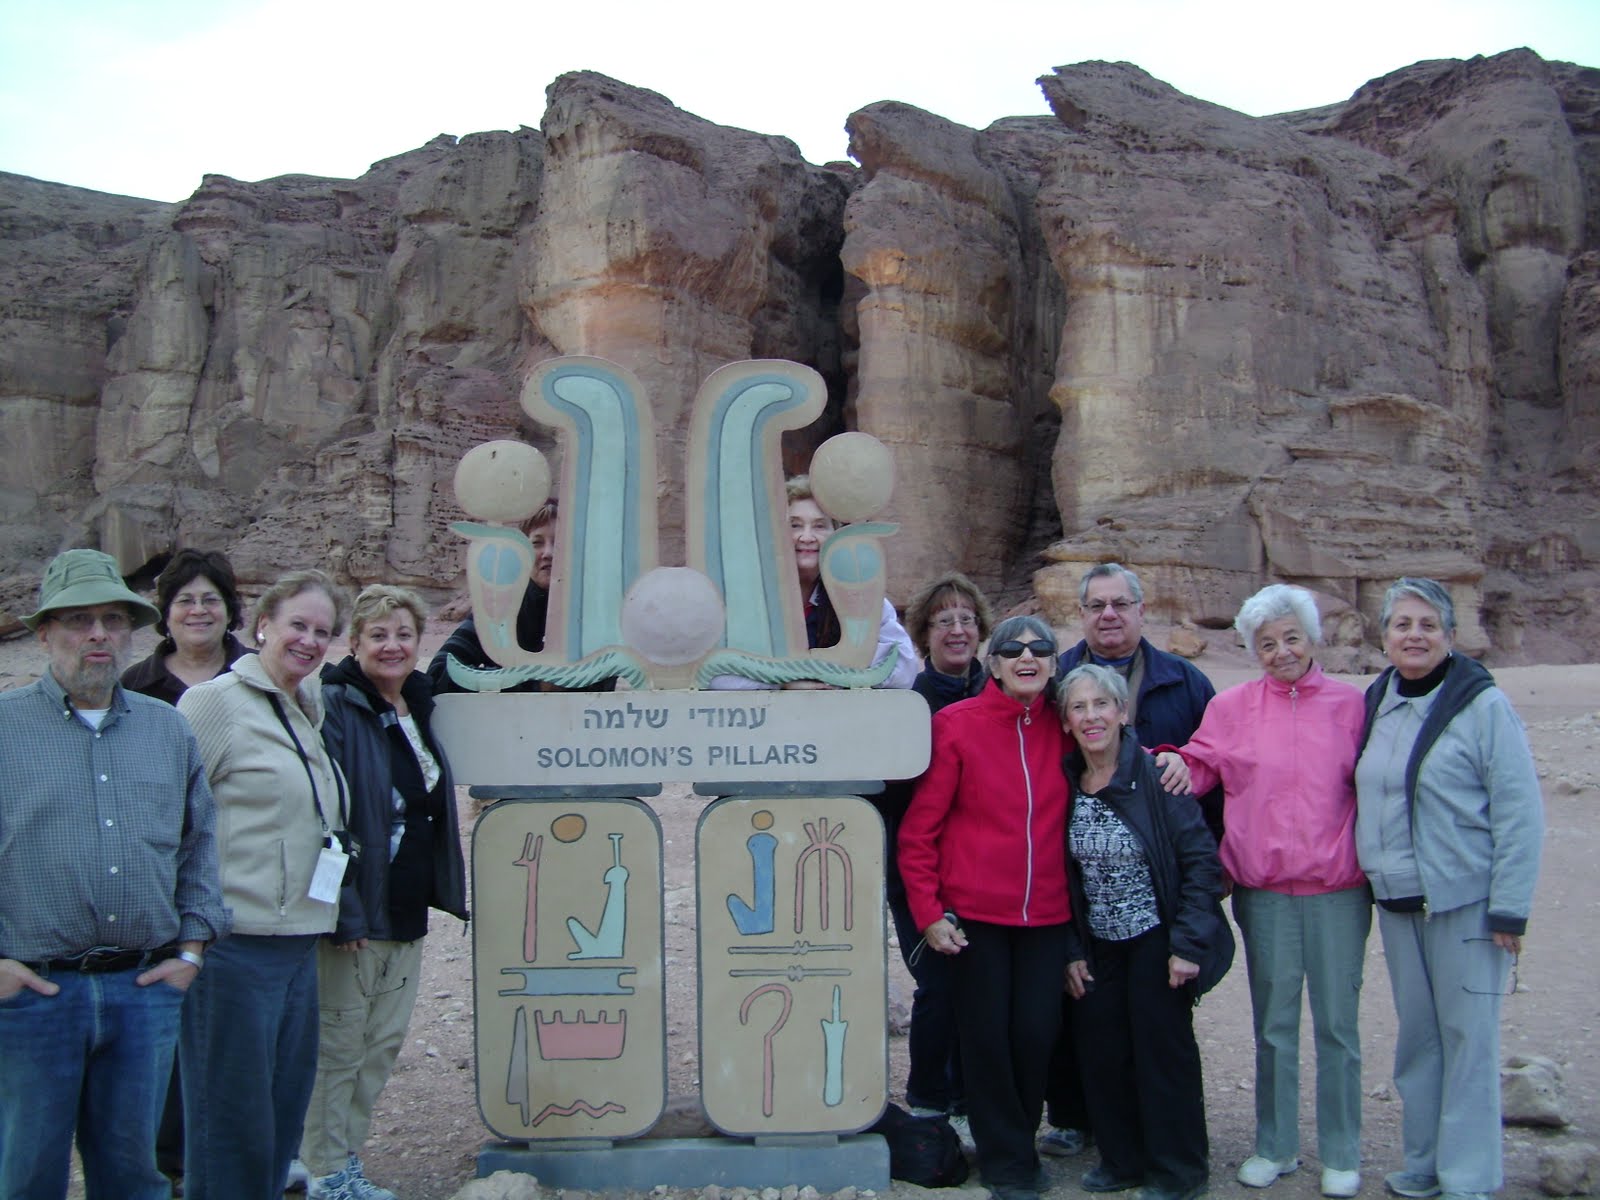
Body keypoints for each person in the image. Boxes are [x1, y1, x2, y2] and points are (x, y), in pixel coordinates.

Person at [0, 549, 228, 1199]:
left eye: (113, 619)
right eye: (78, 620)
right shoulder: (4, 728)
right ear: (44, 632)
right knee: (26, 1178)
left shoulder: (167, 730)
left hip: (143, 991)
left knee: (132, 1178)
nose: (97, 634)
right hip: (32, 997)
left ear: (131, 632)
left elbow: (198, 846)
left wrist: (191, 950)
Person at [1175, 585, 1370, 1197]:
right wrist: (1160, 761)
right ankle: (1275, 1145)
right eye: (1267, 643)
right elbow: (1197, 765)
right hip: (1263, 893)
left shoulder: (1352, 707)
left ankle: (1341, 1152)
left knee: (1337, 1026)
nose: (1281, 651)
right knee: (1275, 1025)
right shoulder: (1231, 708)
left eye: (1291, 638)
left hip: (1339, 890)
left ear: (1311, 639)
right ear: (1252, 649)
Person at [1354, 578, 1542, 1200]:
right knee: (1420, 1041)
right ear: (1384, 636)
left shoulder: (1482, 706)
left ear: (1451, 636)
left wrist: (1510, 908)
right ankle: (1424, 1163)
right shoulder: (1378, 698)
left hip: (1466, 903)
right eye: (1402, 624)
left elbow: (1519, 810)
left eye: (1428, 624)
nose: (1415, 635)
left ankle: (1468, 1178)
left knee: (1468, 1041)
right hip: (1399, 904)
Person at [178, 569, 350, 1200]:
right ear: (262, 626)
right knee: (231, 1119)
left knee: (281, 1112)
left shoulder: (306, 706)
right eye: (297, 625)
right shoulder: (216, 703)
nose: (309, 640)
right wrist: (186, 934)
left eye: (322, 632)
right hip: (236, 944)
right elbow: (170, 817)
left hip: (297, 940)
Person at [1043, 562, 1218, 1157]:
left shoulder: (1184, 682)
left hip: (1162, 902)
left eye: (1120, 603)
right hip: (1092, 916)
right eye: (1096, 605)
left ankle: (1172, 1160)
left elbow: (1214, 768)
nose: (1109, 615)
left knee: (1160, 1037)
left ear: (1142, 609)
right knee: (1096, 1034)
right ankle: (1095, 1135)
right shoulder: (1055, 677)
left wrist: (1196, 910)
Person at [300, 585, 468, 1200]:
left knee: (381, 1043)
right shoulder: (335, 707)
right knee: (339, 1043)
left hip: (407, 905)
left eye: (403, 634)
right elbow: (323, 816)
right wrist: (342, 911)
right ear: (354, 643)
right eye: (378, 635)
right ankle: (324, 1169)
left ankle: (341, 1160)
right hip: (357, 911)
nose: (392, 646)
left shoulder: (417, 704)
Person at [897, 615, 1071, 1200]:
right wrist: (928, 912)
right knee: (987, 1041)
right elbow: (919, 832)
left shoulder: (1066, 726)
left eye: (1040, 649)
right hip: (977, 919)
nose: (1027, 657)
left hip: (1047, 916)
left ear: (1054, 664)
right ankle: (1008, 1162)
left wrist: (1172, 755)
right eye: (1012, 649)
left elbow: (1119, 757)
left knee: (1035, 1035)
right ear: (992, 665)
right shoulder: (956, 725)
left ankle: (1019, 1139)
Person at [1059, 664, 1229, 1200]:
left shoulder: (1158, 775)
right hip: (1099, 943)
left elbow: (1201, 862)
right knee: (1103, 1052)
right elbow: (1060, 878)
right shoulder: (1066, 782)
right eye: (1079, 707)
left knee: (1163, 1054)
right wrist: (1070, 950)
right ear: (1065, 721)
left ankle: (1179, 1170)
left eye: (1101, 704)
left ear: (1122, 712)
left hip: (1156, 938)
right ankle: (1122, 1160)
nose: (1091, 717)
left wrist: (1187, 944)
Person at [120, 547, 250, 1185]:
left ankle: (235, 1157)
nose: (198, 611)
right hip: (157, 879)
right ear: (165, 613)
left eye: (210, 599)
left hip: (246, 878)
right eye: (184, 600)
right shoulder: (135, 688)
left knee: (236, 1026)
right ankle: (167, 1161)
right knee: (163, 1020)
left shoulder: (258, 678)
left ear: (230, 609)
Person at [879, 573, 995, 1133]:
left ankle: (972, 1103)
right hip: (916, 870)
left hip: (983, 868)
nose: (957, 629)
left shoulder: (1000, 695)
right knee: (939, 983)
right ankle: (929, 1099)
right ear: (924, 633)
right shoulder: (906, 703)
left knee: (980, 985)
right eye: (944, 620)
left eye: (967, 619)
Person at [713, 476, 918, 690]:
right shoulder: (745, 598)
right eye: (794, 525)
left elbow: (903, 668)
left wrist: (829, 675)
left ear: (836, 535)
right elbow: (713, 672)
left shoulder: (861, 599)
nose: (806, 537)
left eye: (819, 526)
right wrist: (784, 682)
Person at [429, 501, 557, 693]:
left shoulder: (591, 617)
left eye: (559, 543)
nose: (548, 553)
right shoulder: (498, 611)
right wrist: (531, 685)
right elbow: (439, 672)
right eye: (537, 543)